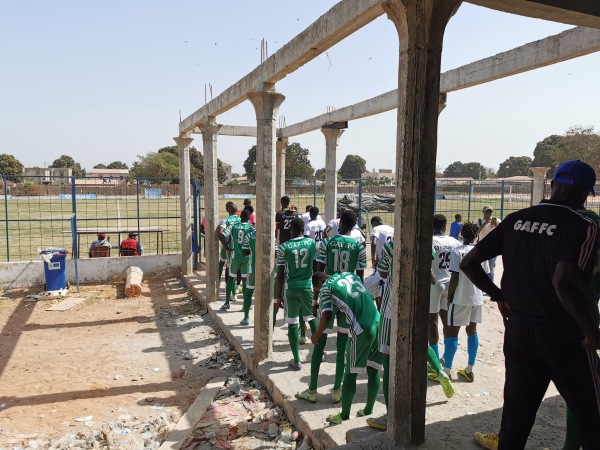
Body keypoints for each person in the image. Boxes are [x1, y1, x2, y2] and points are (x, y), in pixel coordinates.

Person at [462, 160, 600, 450]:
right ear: (587, 193)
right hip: (565, 336)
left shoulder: (516, 219)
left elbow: (469, 263)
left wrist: (499, 296)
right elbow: (564, 283)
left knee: (515, 423)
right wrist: (590, 331)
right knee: (594, 418)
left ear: (552, 185)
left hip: (520, 333)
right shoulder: (584, 225)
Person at [367, 240, 454, 431]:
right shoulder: (427, 245)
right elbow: (429, 273)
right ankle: (438, 372)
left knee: (388, 358)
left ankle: (390, 415)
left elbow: (381, 275)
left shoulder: (391, 246)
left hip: (392, 310)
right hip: (417, 306)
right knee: (420, 347)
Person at [296, 210, 367, 405]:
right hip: (347, 294)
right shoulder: (358, 245)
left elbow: (318, 272)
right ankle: (337, 390)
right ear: (353, 226)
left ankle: (312, 389)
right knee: (343, 345)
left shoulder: (327, 242)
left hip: (328, 291)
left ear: (340, 223)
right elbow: (359, 276)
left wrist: (315, 300)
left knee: (320, 341)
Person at [309, 271, 382, 425]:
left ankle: (344, 415)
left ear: (320, 284)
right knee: (373, 368)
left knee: (350, 372)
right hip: (378, 320)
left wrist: (316, 334)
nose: (318, 293)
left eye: (316, 290)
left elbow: (327, 315)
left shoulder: (326, 288)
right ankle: (368, 409)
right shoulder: (350, 275)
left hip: (361, 328)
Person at [442, 222, 488, 382]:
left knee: (452, 332)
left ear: (461, 235)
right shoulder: (481, 251)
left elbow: (454, 276)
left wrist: (449, 296)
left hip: (460, 297)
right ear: (476, 235)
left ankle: (446, 371)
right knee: (472, 330)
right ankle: (469, 369)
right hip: (477, 297)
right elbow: (486, 275)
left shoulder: (457, 252)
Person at [276, 218, 317, 370]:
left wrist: (278, 294)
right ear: (303, 229)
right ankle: (319, 352)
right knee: (311, 318)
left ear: (291, 230)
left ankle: (297, 360)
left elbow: (280, 274)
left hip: (290, 287)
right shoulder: (312, 243)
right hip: (307, 285)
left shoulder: (284, 247)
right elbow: (317, 264)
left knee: (292, 322)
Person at [429, 214, 461, 361]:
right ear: (445, 226)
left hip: (435, 283)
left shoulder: (431, 241)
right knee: (447, 320)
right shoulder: (454, 241)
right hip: (450, 283)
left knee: (432, 321)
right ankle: (447, 359)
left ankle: (434, 361)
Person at [219, 209, 253, 310]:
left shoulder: (233, 226)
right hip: (246, 257)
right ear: (248, 218)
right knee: (244, 280)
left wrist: (227, 248)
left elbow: (221, 235)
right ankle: (245, 305)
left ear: (240, 216)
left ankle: (227, 302)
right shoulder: (251, 228)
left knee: (231, 278)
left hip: (234, 256)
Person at [477, 206, 501, 282]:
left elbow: (502, 231)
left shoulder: (496, 220)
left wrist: (495, 225)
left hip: (492, 248)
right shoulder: (479, 221)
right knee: (481, 268)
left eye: (490, 212)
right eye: (487, 212)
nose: (488, 213)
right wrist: (485, 223)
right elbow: (476, 232)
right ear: (483, 212)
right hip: (481, 248)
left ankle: (491, 288)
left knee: (491, 269)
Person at [240, 223, 256, 326]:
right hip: (267, 270)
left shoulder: (250, 235)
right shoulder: (271, 235)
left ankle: (246, 318)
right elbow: (276, 254)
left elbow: (244, 252)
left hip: (253, 269)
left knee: (249, 293)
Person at [303, 206, 327, 272]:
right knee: (321, 267)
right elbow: (325, 234)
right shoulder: (322, 223)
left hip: (313, 248)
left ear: (310, 214)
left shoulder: (308, 225)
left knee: (313, 268)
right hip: (321, 247)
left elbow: (306, 238)